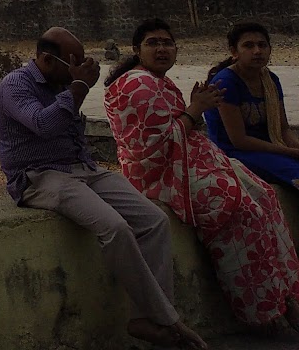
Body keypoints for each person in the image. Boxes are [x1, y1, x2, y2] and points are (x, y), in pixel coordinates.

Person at [0, 26, 206, 349]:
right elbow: (43, 125)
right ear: (47, 60)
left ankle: (143, 317)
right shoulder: (15, 85)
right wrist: (78, 86)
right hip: (37, 176)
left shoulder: (61, 81)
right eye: (72, 63)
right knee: (115, 228)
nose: (79, 70)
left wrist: (74, 85)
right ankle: (168, 319)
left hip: (81, 168)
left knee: (153, 220)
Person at [104, 18, 299, 330]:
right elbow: (153, 149)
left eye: (167, 42)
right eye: (153, 43)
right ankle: (261, 313)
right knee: (243, 212)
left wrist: (193, 112)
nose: (162, 48)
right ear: (137, 50)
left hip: (191, 160)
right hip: (161, 173)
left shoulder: (158, 81)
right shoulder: (139, 86)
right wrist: (195, 109)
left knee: (265, 198)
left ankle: (287, 298)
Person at [203, 21, 299, 189]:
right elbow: (239, 140)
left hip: (267, 146)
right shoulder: (226, 82)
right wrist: (290, 152)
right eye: (248, 46)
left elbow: (283, 128)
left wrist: (295, 146)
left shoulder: (271, 80)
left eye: (262, 45)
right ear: (235, 52)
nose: (257, 51)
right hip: (234, 152)